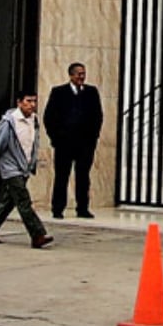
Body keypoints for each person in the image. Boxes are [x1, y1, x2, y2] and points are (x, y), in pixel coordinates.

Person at [0, 90, 52, 248]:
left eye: (34, 101)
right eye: (28, 101)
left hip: (24, 168)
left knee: (8, 201)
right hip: (11, 169)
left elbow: (32, 145)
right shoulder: (9, 123)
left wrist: (32, 164)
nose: (32, 105)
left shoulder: (34, 121)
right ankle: (37, 234)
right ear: (19, 103)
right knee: (24, 201)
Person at [43, 61, 104, 220]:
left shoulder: (91, 92)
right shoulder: (58, 92)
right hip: (64, 144)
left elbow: (98, 116)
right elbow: (49, 117)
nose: (81, 77)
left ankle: (82, 208)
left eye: (83, 74)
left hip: (85, 144)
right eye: (79, 74)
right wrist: (56, 138)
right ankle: (58, 209)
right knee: (62, 176)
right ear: (71, 75)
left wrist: (93, 138)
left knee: (83, 176)